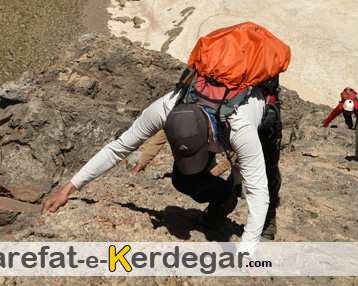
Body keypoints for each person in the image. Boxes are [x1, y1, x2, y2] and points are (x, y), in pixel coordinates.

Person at [41, 22, 288, 255]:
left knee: (267, 170)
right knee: (184, 180)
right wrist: (70, 187)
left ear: (206, 139)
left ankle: (269, 219)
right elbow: (120, 147)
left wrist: (246, 252)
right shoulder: (168, 105)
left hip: (256, 117)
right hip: (213, 125)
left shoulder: (241, 127)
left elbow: (257, 191)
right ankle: (223, 197)